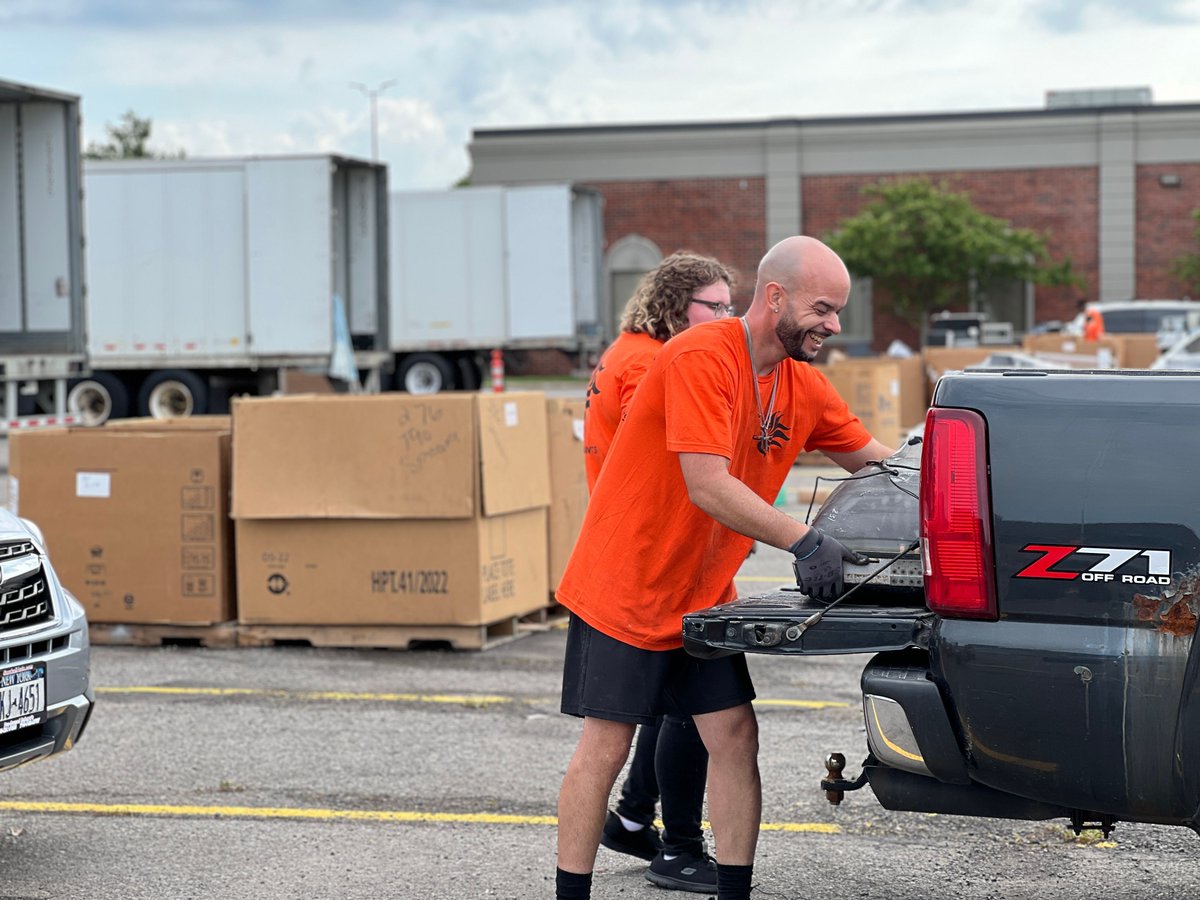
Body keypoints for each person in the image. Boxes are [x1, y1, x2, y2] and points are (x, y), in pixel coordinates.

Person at [553, 236, 896, 900]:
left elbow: (878, 463)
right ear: (776, 298)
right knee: (606, 748)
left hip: (701, 595)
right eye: (823, 309)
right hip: (626, 585)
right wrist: (805, 541)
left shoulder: (803, 385)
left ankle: (733, 889)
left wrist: (956, 462)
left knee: (735, 734)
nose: (834, 325)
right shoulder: (698, 356)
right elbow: (707, 483)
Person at [583, 251, 736, 893]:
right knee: (691, 712)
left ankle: (634, 815)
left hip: (638, 547)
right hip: (648, 557)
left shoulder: (629, 349)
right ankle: (677, 847)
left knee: (668, 706)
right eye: (716, 307)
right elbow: (690, 465)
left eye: (732, 306)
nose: (728, 318)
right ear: (679, 306)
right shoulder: (655, 362)